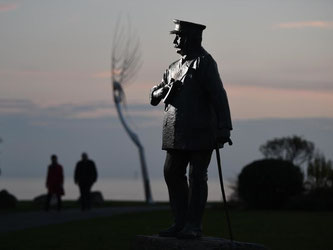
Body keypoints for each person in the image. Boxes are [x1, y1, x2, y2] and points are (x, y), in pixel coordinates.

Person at [150, 19, 232, 239]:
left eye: (179, 37)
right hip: (175, 130)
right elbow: (153, 96)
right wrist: (163, 90)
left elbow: (218, 95)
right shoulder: (173, 67)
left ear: (193, 39)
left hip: (200, 130)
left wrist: (224, 127)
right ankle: (180, 222)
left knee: (197, 176)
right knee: (171, 172)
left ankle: (193, 225)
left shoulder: (204, 62)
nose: (175, 41)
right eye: (175, 37)